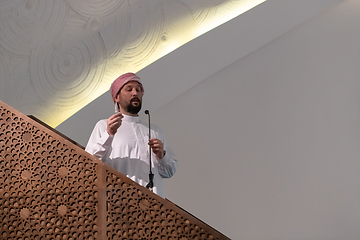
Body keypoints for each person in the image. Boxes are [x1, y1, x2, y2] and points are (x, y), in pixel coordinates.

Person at [85, 72, 177, 198]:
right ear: (116, 97)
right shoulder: (104, 125)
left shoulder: (155, 130)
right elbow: (88, 162)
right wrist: (109, 134)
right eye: (129, 89)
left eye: (138, 90)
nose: (135, 93)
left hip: (154, 208)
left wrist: (162, 155)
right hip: (120, 204)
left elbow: (169, 171)